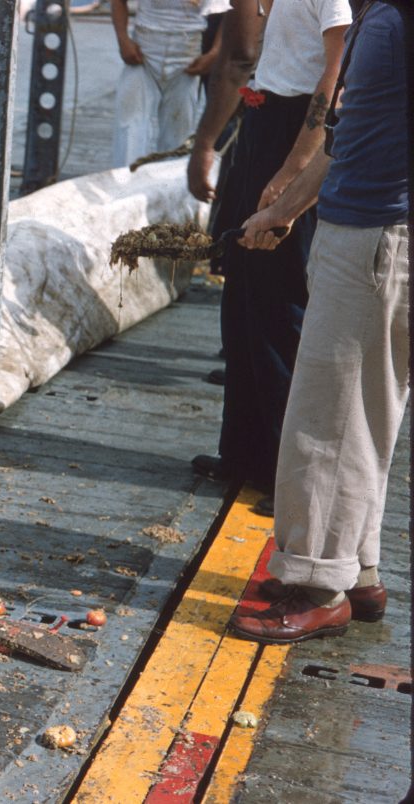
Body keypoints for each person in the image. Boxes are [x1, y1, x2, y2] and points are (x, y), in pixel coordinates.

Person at [228, 0, 409, 644]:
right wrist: (287, 209)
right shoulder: (384, 18)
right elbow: (348, 139)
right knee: (368, 415)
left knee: (329, 418)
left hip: (378, 237)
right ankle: (357, 570)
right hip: (366, 227)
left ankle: (316, 585)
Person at [186, 0, 350, 516]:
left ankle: (289, 471)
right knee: (242, 296)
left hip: (294, 130)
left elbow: (336, 71)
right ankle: (246, 451)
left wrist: (294, 169)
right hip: (264, 117)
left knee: (282, 304)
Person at [110, 0, 232, 168]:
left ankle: (168, 188)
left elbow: (229, 10)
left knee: (178, 133)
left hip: (188, 54)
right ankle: (124, 184)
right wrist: (122, 38)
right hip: (144, 49)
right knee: (129, 126)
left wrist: (216, 51)